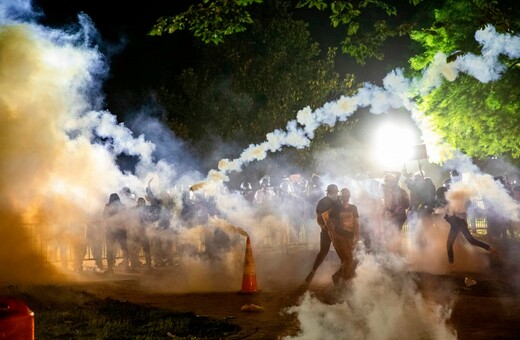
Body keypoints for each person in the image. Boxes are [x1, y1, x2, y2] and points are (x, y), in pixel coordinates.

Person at [438, 184, 493, 264]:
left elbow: (453, 213)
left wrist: (445, 215)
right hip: (459, 224)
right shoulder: (450, 201)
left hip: (457, 225)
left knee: (449, 245)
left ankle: (451, 264)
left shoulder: (450, 202)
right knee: (471, 241)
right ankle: (490, 248)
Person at [323, 188, 360, 285]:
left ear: (349, 196)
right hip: (339, 237)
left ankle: (337, 277)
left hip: (350, 237)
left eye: (347, 195)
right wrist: (334, 235)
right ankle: (347, 282)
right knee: (348, 260)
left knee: (349, 260)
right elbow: (327, 220)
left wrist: (357, 235)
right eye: (344, 195)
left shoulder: (353, 208)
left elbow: (356, 223)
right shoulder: (336, 208)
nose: (345, 197)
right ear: (341, 196)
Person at [304, 184, 339, 284]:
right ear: (327, 192)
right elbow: (319, 217)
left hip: (339, 231)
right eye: (332, 192)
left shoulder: (339, 200)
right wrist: (323, 226)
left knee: (343, 253)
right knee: (323, 252)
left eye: (336, 192)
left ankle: (340, 274)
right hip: (326, 231)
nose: (334, 194)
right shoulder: (323, 202)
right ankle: (313, 272)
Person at [103, 193, 128, 274]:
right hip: (119, 229)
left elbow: (104, 216)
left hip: (113, 230)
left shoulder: (108, 206)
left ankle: (111, 268)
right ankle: (125, 266)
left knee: (111, 249)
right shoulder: (122, 206)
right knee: (124, 248)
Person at [127, 197, 153, 271]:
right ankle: (146, 266)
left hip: (138, 231)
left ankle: (135, 266)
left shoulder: (135, 209)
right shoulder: (143, 209)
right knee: (142, 249)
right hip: (139, 231)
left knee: (138, 250)